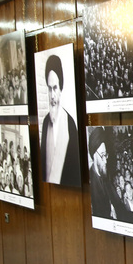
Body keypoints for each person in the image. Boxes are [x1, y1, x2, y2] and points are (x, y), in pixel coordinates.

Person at [40, 55, 81, 186]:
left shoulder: (70, 124)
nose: (52, 95)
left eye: (55, 88)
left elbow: (75, 171)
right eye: (49, 88)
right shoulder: (46, 122)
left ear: (61, 89)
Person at [88, 127, 114, 219]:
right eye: (102, 155)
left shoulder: (105, 175)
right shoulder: (90, 182)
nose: (105, 161)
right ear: (94, 155)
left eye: (106, 155)